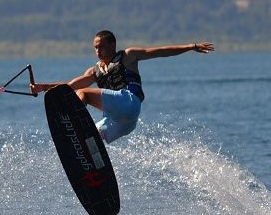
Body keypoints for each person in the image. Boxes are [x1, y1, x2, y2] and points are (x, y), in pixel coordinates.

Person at [31, 30, 214, 143]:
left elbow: (160, 52)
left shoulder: (128, 56)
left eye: (101, 46)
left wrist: (191, 46)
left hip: (129, 102)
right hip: (123, 122)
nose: (98, 51)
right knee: (90, 137)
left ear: (112, 45)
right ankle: (89, 158)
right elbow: (70, 86)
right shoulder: (94, 71)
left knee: (83, 94)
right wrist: (42, 87)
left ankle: (73, 125)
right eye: (95, 47)